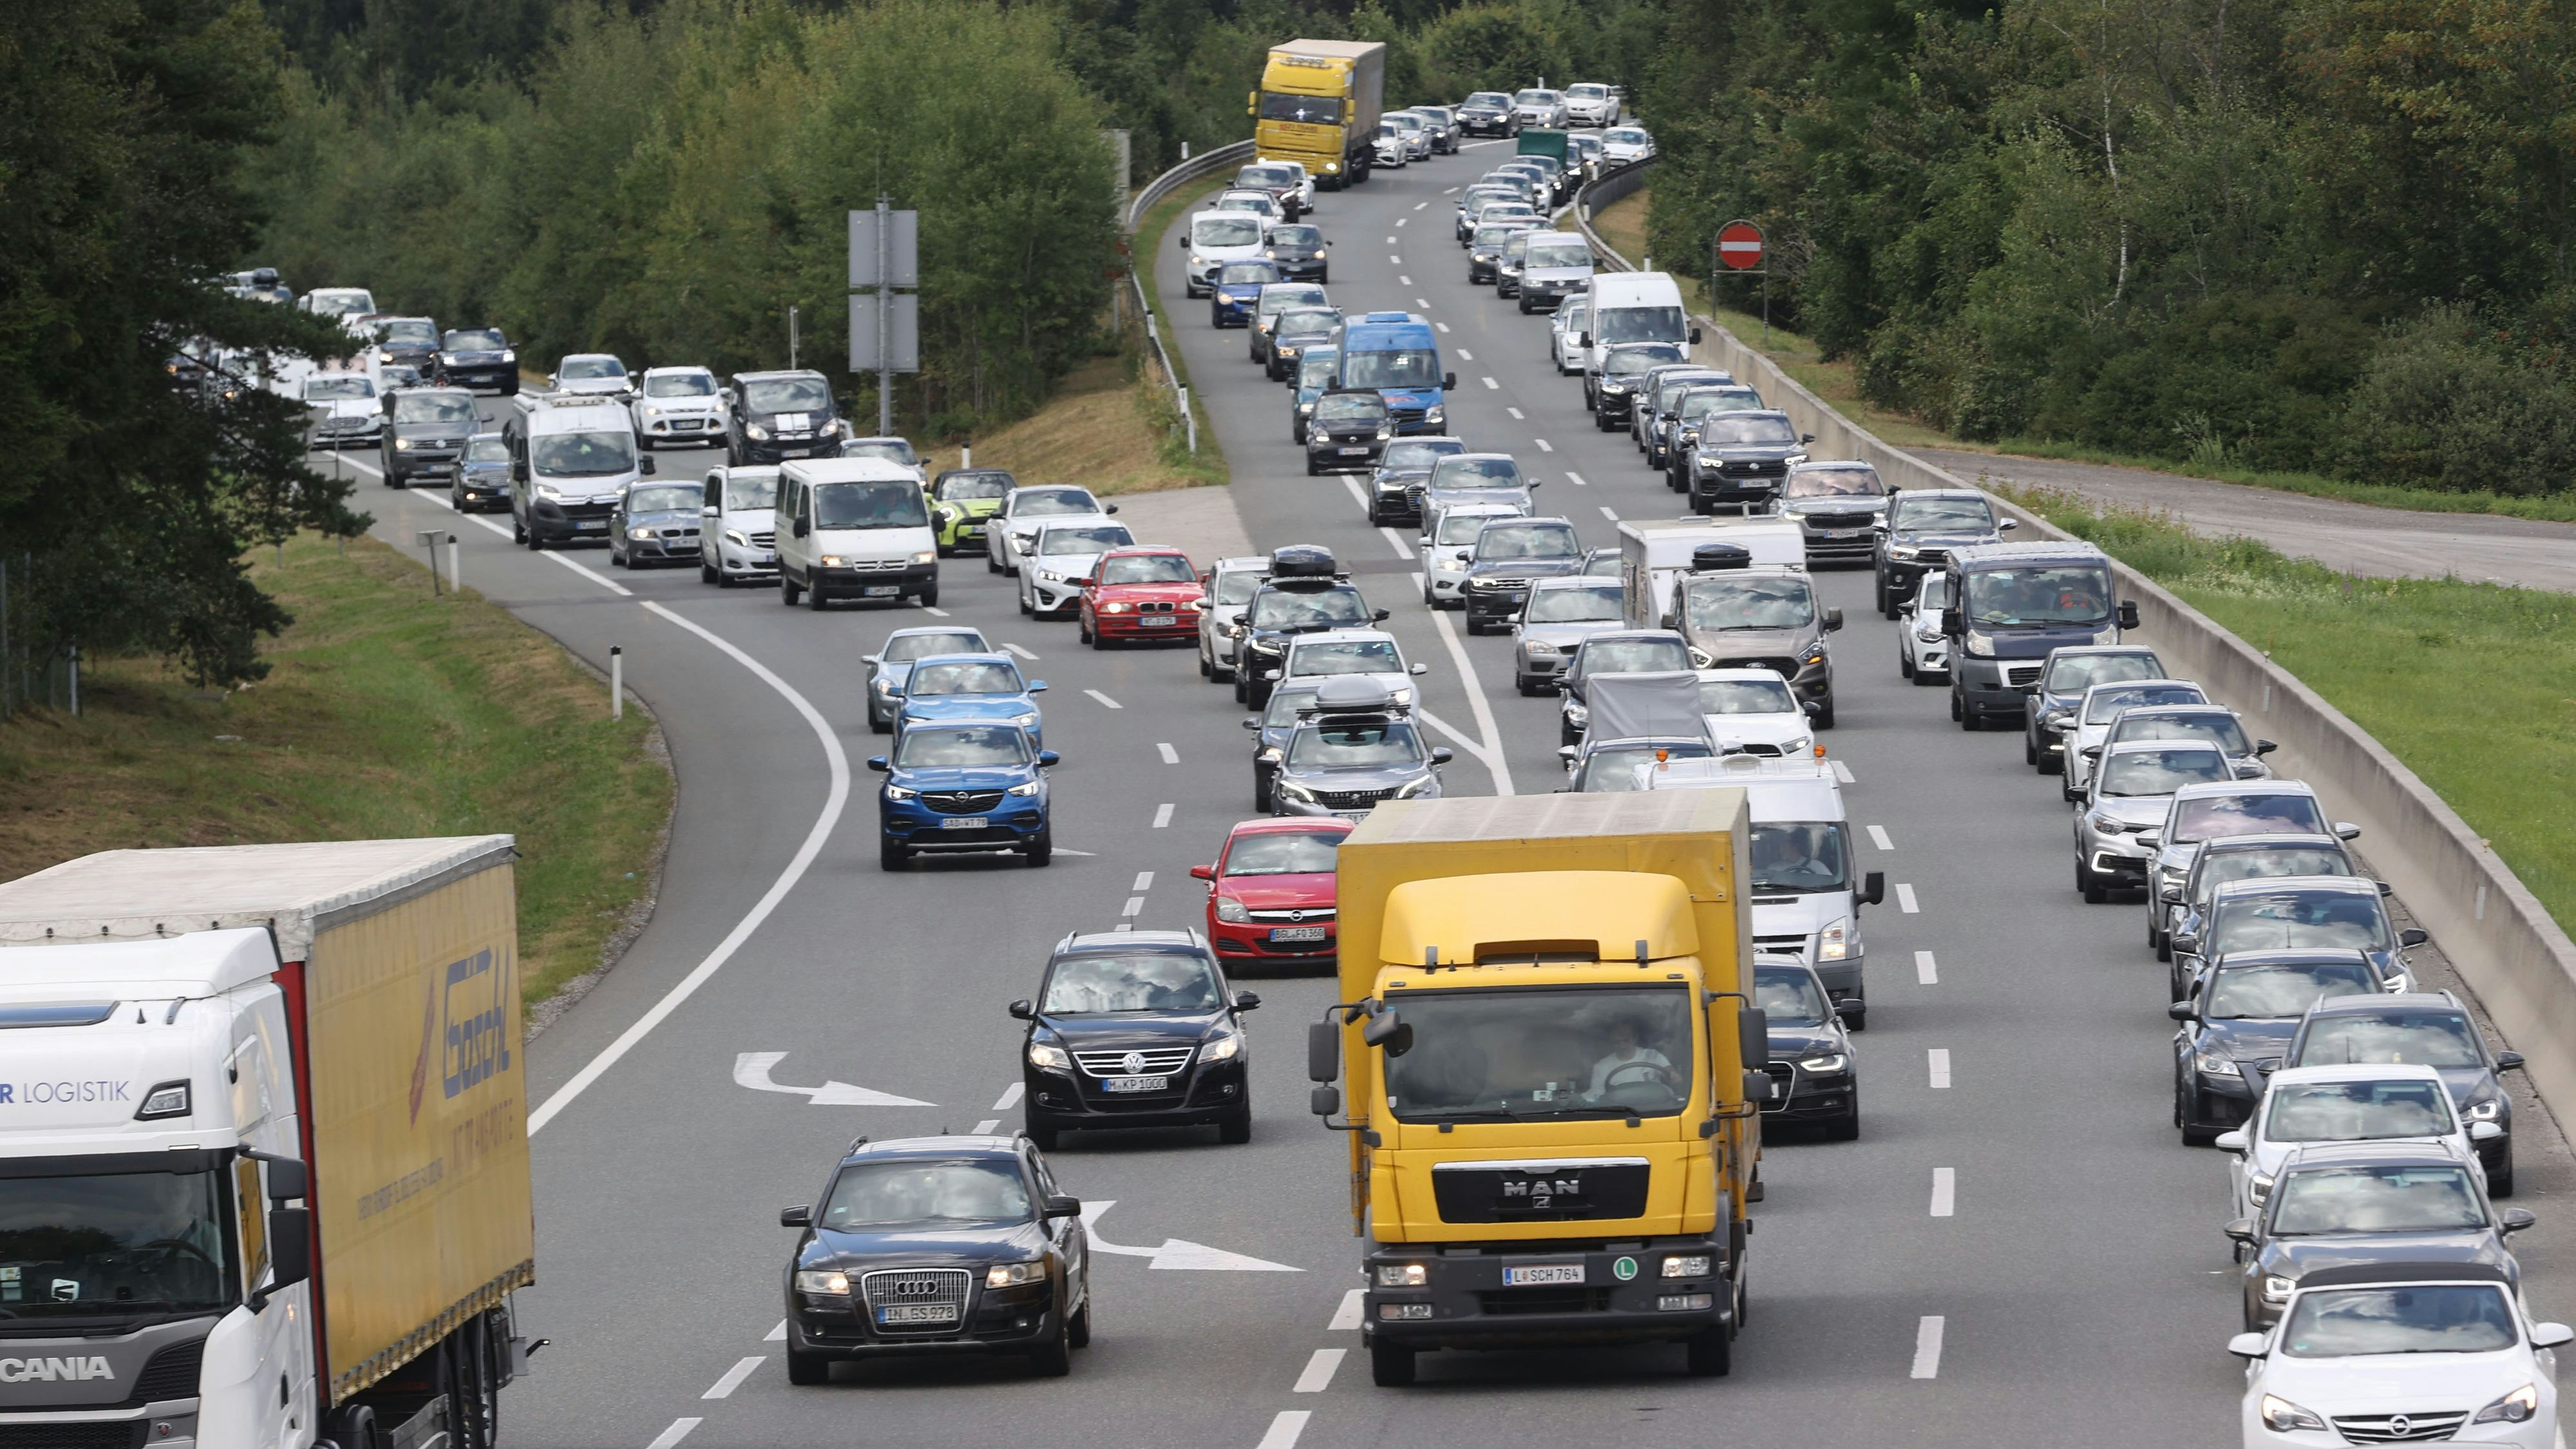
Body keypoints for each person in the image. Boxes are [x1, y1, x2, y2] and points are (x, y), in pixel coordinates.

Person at [1587, 1018, 1672, 1096]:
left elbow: (1670, 1073)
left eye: (1626, 1040)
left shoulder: (1652, 1056)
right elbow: (1596, 1095)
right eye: (1617, 1042)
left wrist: (1672, 1075)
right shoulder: (1601, 1067)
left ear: (1635, 1038)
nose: (1622, 1046)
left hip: (1656, 1110)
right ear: (1611, 1042)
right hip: (1619, 1111)